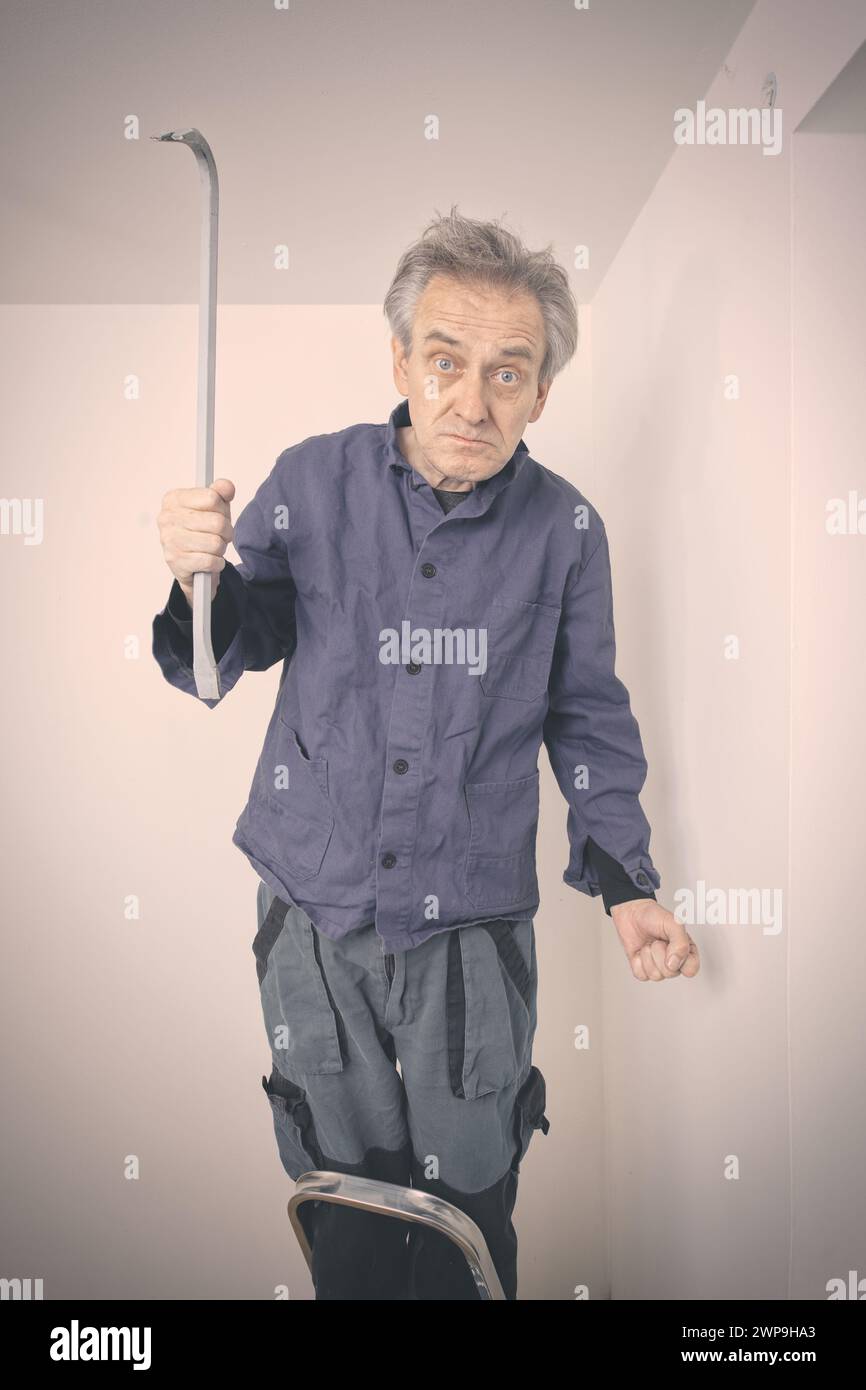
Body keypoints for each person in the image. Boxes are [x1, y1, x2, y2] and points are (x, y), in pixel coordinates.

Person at [152, 206, 699, 1301]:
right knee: (344, 1203)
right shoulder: (312, 481)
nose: (472, 399)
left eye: (510, 373)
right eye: (446, 361)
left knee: (467, 1213)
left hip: (471, 936)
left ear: (540, 392)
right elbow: (221, 659)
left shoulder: (567, 531)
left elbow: (585, 713)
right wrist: (194, 577)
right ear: (401, 359)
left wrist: (628, 882)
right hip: (313, 914)